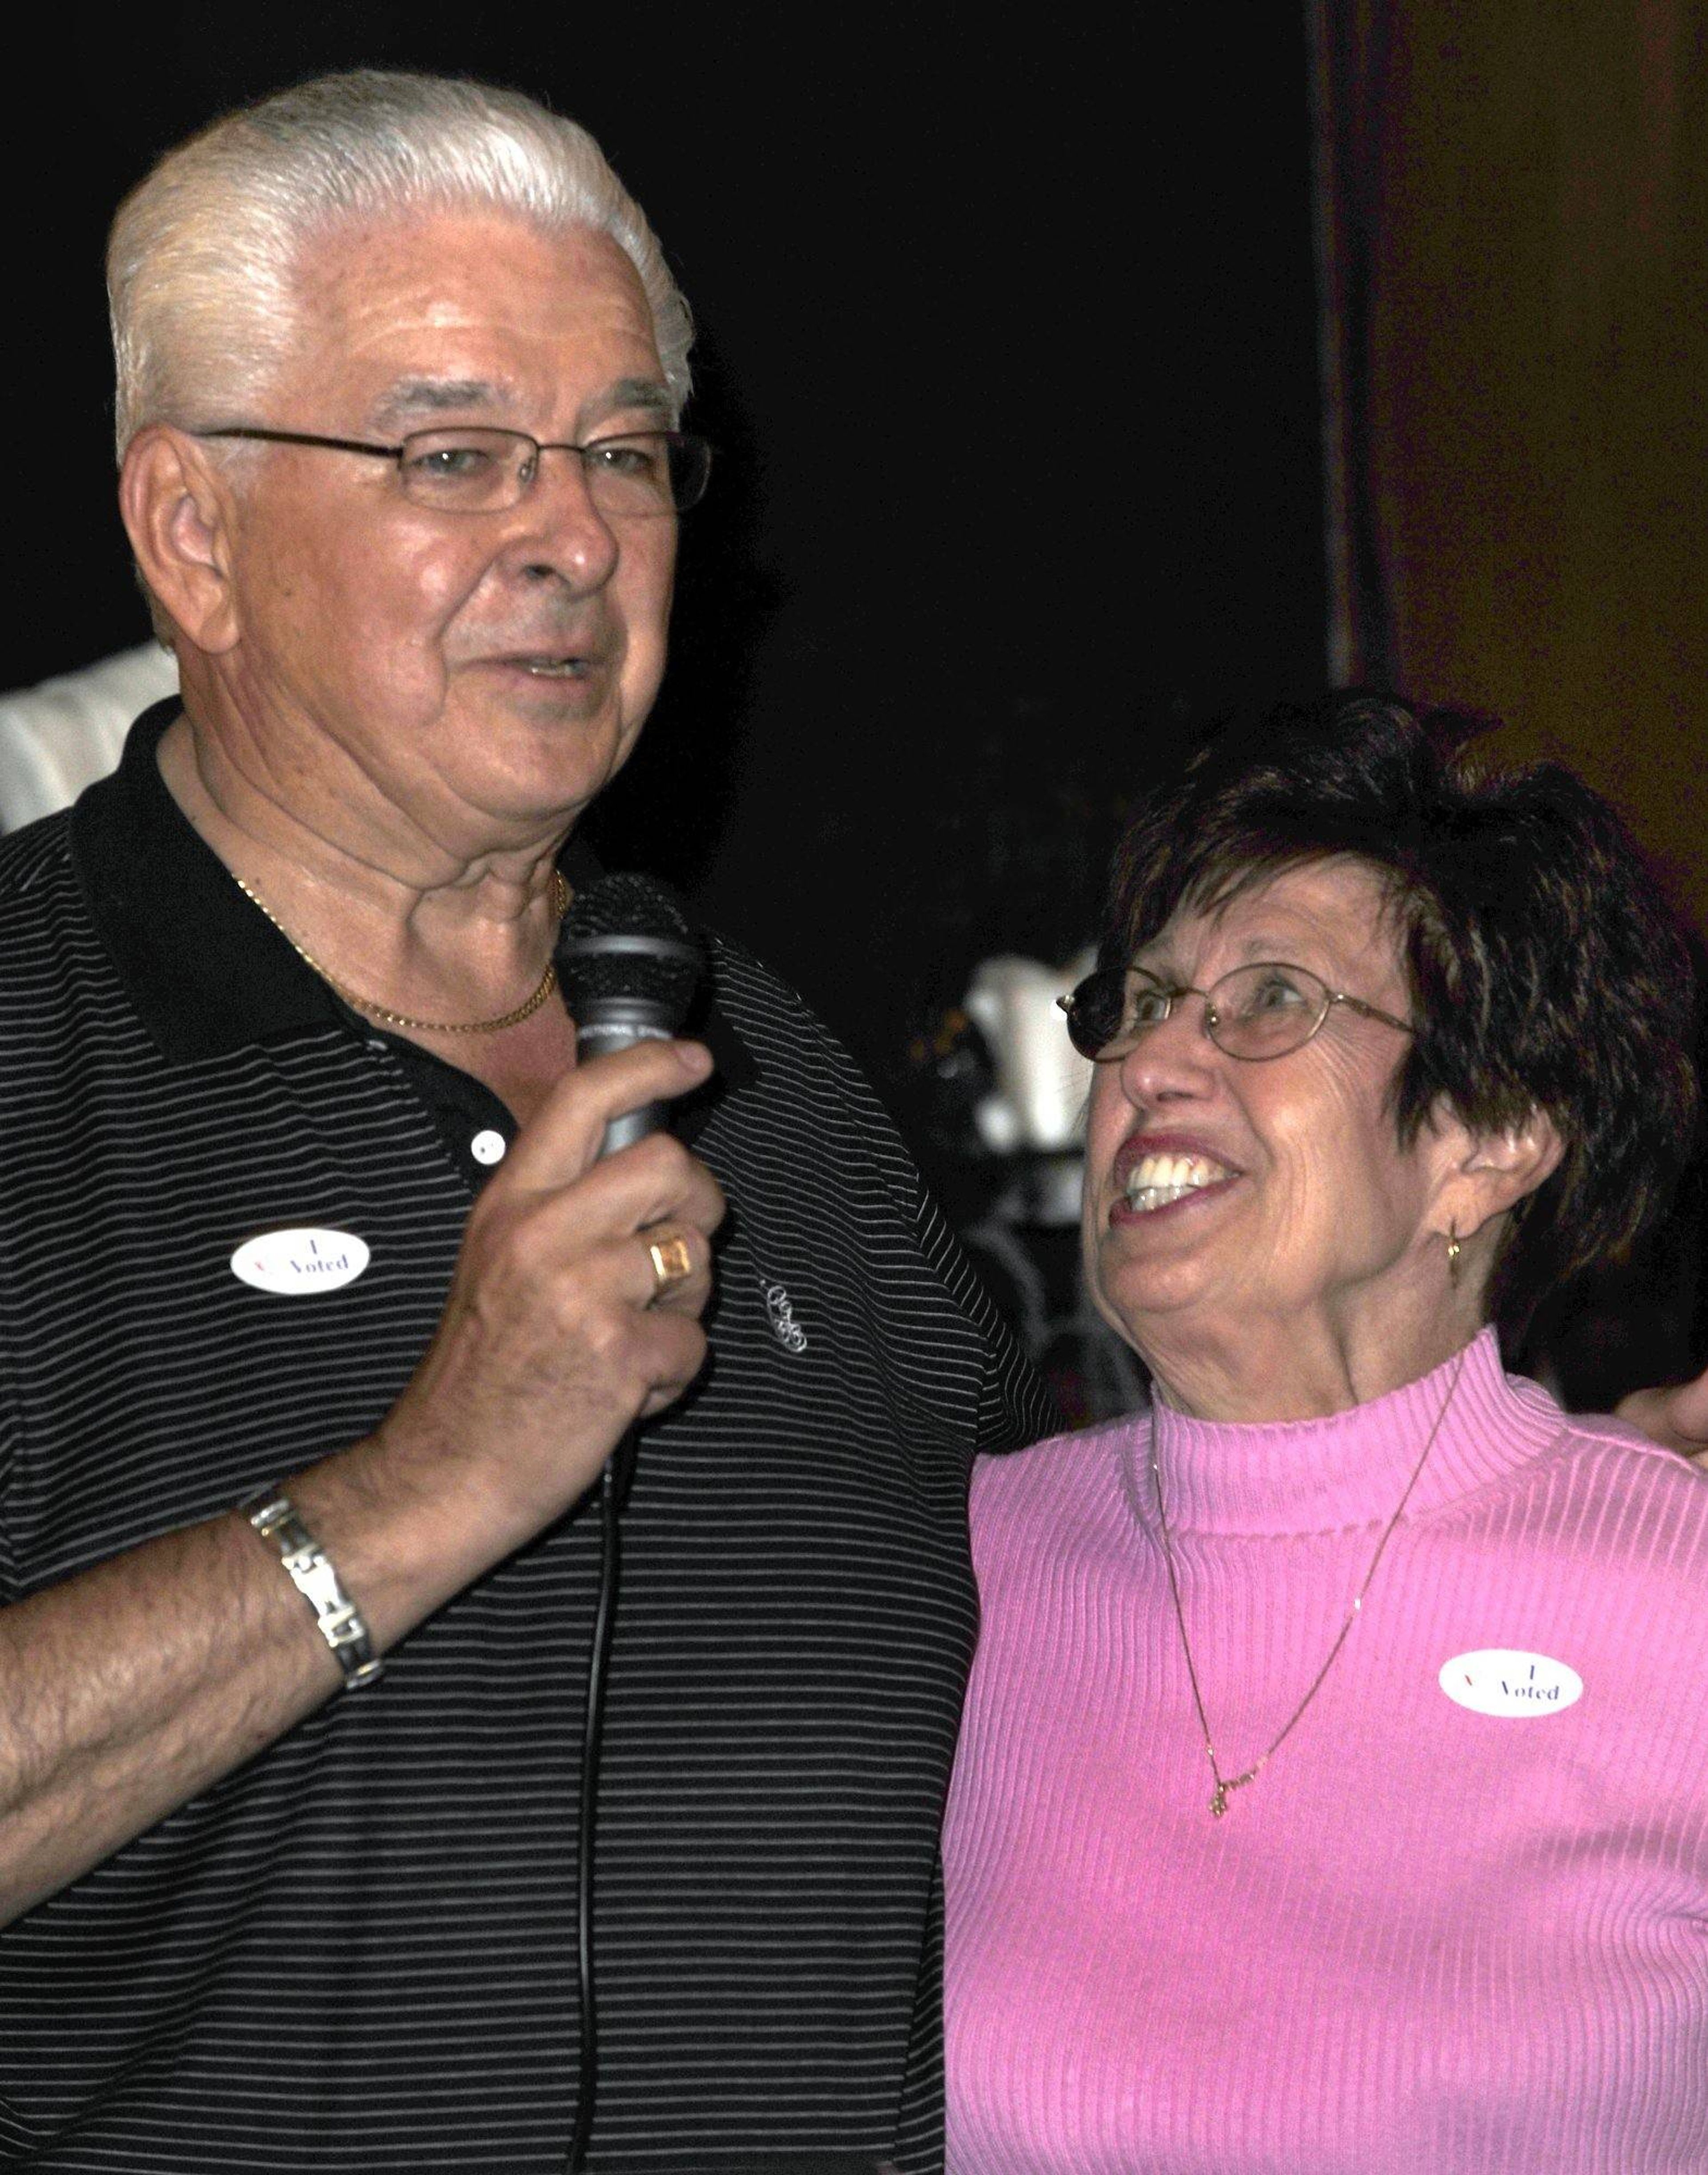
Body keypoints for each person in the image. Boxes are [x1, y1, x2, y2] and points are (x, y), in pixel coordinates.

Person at [0, 72, 1053, 2171]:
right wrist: (415, 1493)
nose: (573, 536)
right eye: (453, 451)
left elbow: (1042, 1647)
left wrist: (1483, 1493)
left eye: (626, 455)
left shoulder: (785, 1081)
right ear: (192, 534)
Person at [943, 695, 1708, 2172]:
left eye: (1272, 1001)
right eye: (1143, 1001)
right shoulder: (965, 1567)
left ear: (1487, 1139)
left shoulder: (1672, 1595)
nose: (1154, 1063)